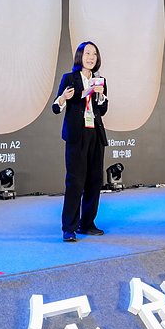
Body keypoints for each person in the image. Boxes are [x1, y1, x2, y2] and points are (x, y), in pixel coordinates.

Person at [52, 41, 108, 242]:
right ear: (79, 57)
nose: (91, 57)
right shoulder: (69, 78)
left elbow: (102, 110)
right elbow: (56, 107)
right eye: (87, 53)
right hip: (77, 135)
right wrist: (63, 98)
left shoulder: (100, 80)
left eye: (94, 54)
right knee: (75, 182)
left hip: (96, 135)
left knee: (95, 180)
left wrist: (101, 96)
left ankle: (87, 223)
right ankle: (69, 228)